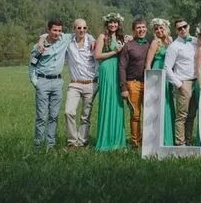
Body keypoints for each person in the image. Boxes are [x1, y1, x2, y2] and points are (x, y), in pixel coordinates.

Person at [28, 18, 68, 148]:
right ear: (48, 30)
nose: (57, 33)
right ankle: (38, 144)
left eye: (59, 31)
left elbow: (82, 34)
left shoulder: (64, 40)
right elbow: (32, 64)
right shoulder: (39, 47)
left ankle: (50, 145)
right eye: (54, 30)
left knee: (54, 116)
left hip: (57, 82)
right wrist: (36, 82)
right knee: (41, 116)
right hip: (43, 81)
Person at [64, 18, 98, 148]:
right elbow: (50, 34)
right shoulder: (68, 42)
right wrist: (41, 39)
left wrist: (92, 38)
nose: (82, 30)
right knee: (69, 111)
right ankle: (72, 142)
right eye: (79, 28)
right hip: (75, 84)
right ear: (74, 29)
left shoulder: (92, 42)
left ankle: (82, 141)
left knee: (86, 115)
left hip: (90, 84)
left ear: (87, 29)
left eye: (84, 28)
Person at [94, 12, 126, 151]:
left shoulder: (121, 37)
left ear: (119, 24)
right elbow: (97, 55)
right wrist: (115, 52)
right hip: (107, 69)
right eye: (110, 23)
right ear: (107, 24)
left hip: (119, 70)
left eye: (115, 22)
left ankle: (118, 140)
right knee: (107, 102)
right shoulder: (103, 36)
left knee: (118, 103)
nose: (113, 25)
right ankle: (106, 139)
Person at [164, 17, 198, 146]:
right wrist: (179, 85)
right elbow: (167, 68)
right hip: (184, 82)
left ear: (189, 26)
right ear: (176, 30)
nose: (183, 29)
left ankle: (188, 140)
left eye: (185, 26)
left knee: (192, 114)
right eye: (180, 28)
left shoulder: (195, 41)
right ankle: (180, 143)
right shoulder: (174, 46)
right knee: (182, 115)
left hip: (196, 81)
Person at [119, 18, 150, 148]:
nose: (141, 30)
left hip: (149, 84)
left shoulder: (150, 44)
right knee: (136, 115)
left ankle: (148, 142)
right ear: (134, 30)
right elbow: (122, 67)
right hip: (133, 83)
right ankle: (136, 143)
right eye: (138, 28)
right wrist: (124, 87)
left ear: (146, 29)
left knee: (149, 114)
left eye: (143, 27)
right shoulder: (129, 46)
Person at [145, 18, 175, 146]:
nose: (159, 30)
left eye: (161, 28)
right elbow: (148, 62)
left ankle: (169, 136)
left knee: (168, 102)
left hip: (168, 73)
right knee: (158, 103)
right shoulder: (154, 43)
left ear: (166, 29)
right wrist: (149, 80)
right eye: (156, 29)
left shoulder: (171, 41)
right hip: (157, 72)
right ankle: (157, 137)